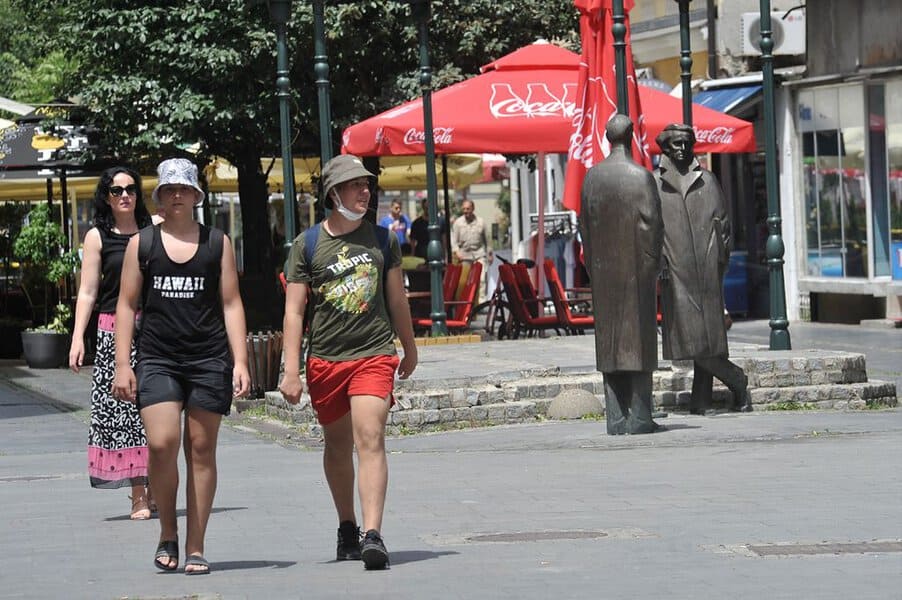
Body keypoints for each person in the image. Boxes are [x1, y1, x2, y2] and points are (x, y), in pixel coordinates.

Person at [279, 154, 418, 570]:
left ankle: (372, 534)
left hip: (373, 354)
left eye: (367, 185)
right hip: (326, 360)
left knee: (370, 436)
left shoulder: (382, 240)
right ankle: (347, 526)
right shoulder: (307, 245)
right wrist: (290, 371)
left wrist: (409, 347)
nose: (365, 192)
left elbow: (396, 299)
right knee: (337, 446)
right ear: (333, 193)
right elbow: (294, 312)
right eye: (356, 185)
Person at [112, 158, 250, 574]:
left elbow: (231, 302)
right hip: (158, 357)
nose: (177, 195)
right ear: (160, 196)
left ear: (195, 196)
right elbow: (125, 305)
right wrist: (123, 363)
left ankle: (195, 545)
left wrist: (240, 359)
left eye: (184, 189)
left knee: (201, 449)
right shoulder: (144, 243)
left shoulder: (216, 243)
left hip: (208, 358)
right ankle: (167, 531)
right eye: (169, 189)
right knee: (161, 443)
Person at [69, 166, 155, 519]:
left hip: (152, 331)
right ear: (106, 196)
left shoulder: (153, 233)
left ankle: (157, 487)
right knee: (126, 414)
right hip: (111, 332)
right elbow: (88, 291)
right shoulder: (97, 236)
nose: (125, 195)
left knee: (156, 408)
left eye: (131, 189)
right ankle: (138, 494)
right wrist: (77, 337)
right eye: (117, 190)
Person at [655, 124, 752, 414]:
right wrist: (660, 262)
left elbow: (723, 225)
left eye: (686, 143)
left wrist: (719, 260)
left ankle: (701, 401)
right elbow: (653, 229)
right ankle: (736, 379)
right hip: (676, 270)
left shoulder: (708, 181)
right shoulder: (656, 183)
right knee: (692, 339)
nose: (682, 149)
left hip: (708, 271)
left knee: (705, 338)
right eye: (676, 144)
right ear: (665, 148)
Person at [580, 114, 664, 435]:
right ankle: (640, 416)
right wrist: (652, 267)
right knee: (639, 341)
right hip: (636, 272)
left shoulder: (591, 178)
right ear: (631, 135)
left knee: (611, 342)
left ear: (606, 137)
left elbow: (584, 227)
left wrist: (593, 266)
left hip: (603, 273)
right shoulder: (641, 177)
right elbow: (653, 228)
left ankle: (615, 418)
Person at [450, 199, 492, 301]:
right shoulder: (458, 223)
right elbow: (453, 240)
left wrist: (490, 253)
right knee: (465, 281)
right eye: (464, 208)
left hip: (479, 254)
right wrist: (456, 251)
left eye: (468, 208)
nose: (465, 211)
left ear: (473, 209)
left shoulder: (481, 222)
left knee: (481, 279)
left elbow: (488, 239)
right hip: (464, 256)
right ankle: (468, 302)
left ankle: (481, 302)